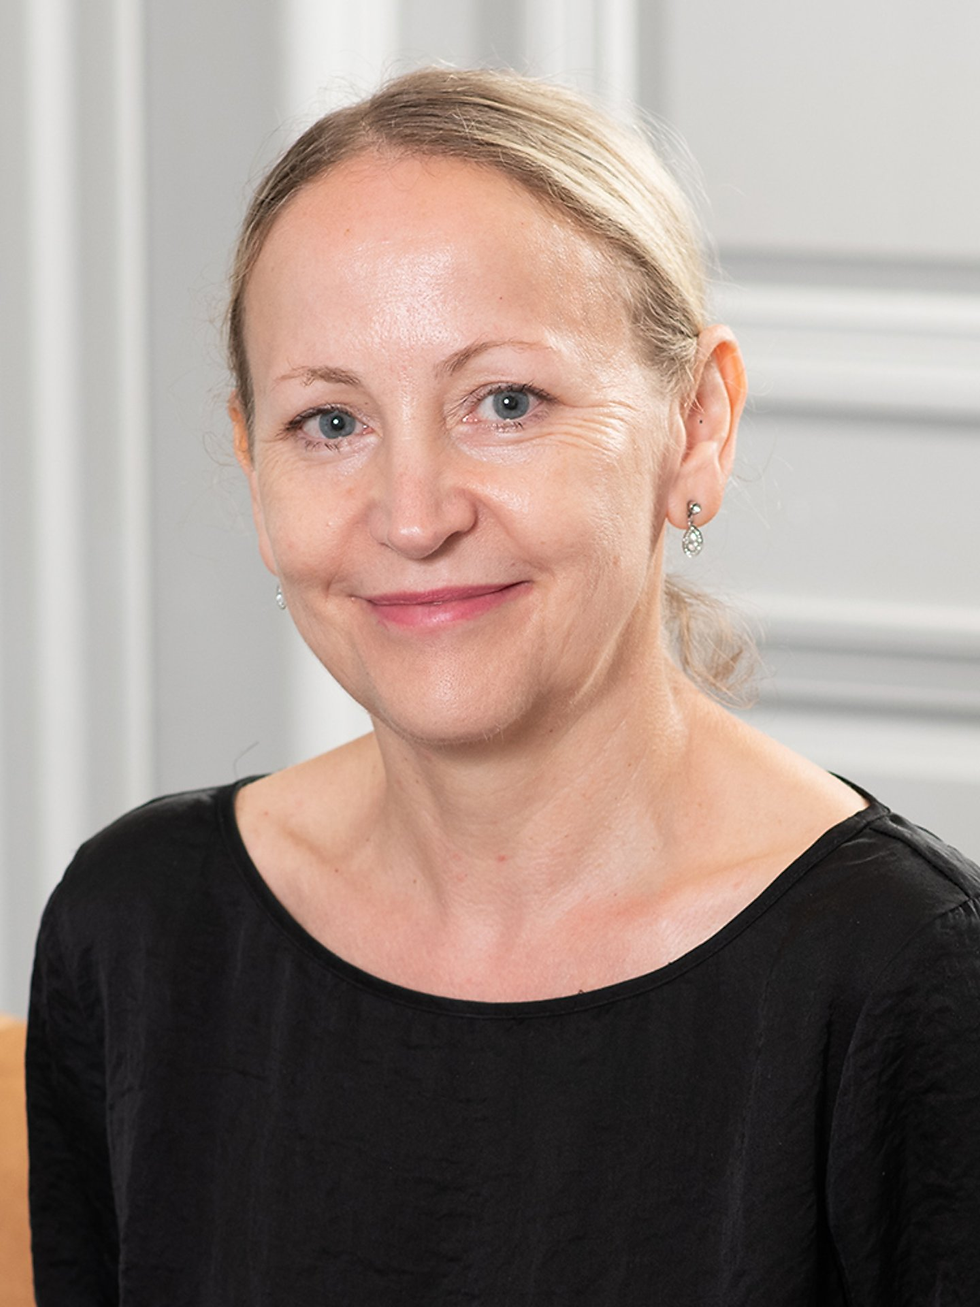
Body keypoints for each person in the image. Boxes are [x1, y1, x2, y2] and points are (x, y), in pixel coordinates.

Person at [26, 67, 980, 1305]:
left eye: (505, 402)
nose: (413, 516)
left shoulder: (911, 979)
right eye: (329, 423)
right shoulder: (138, 924)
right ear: (252, 464)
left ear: (696, 426)